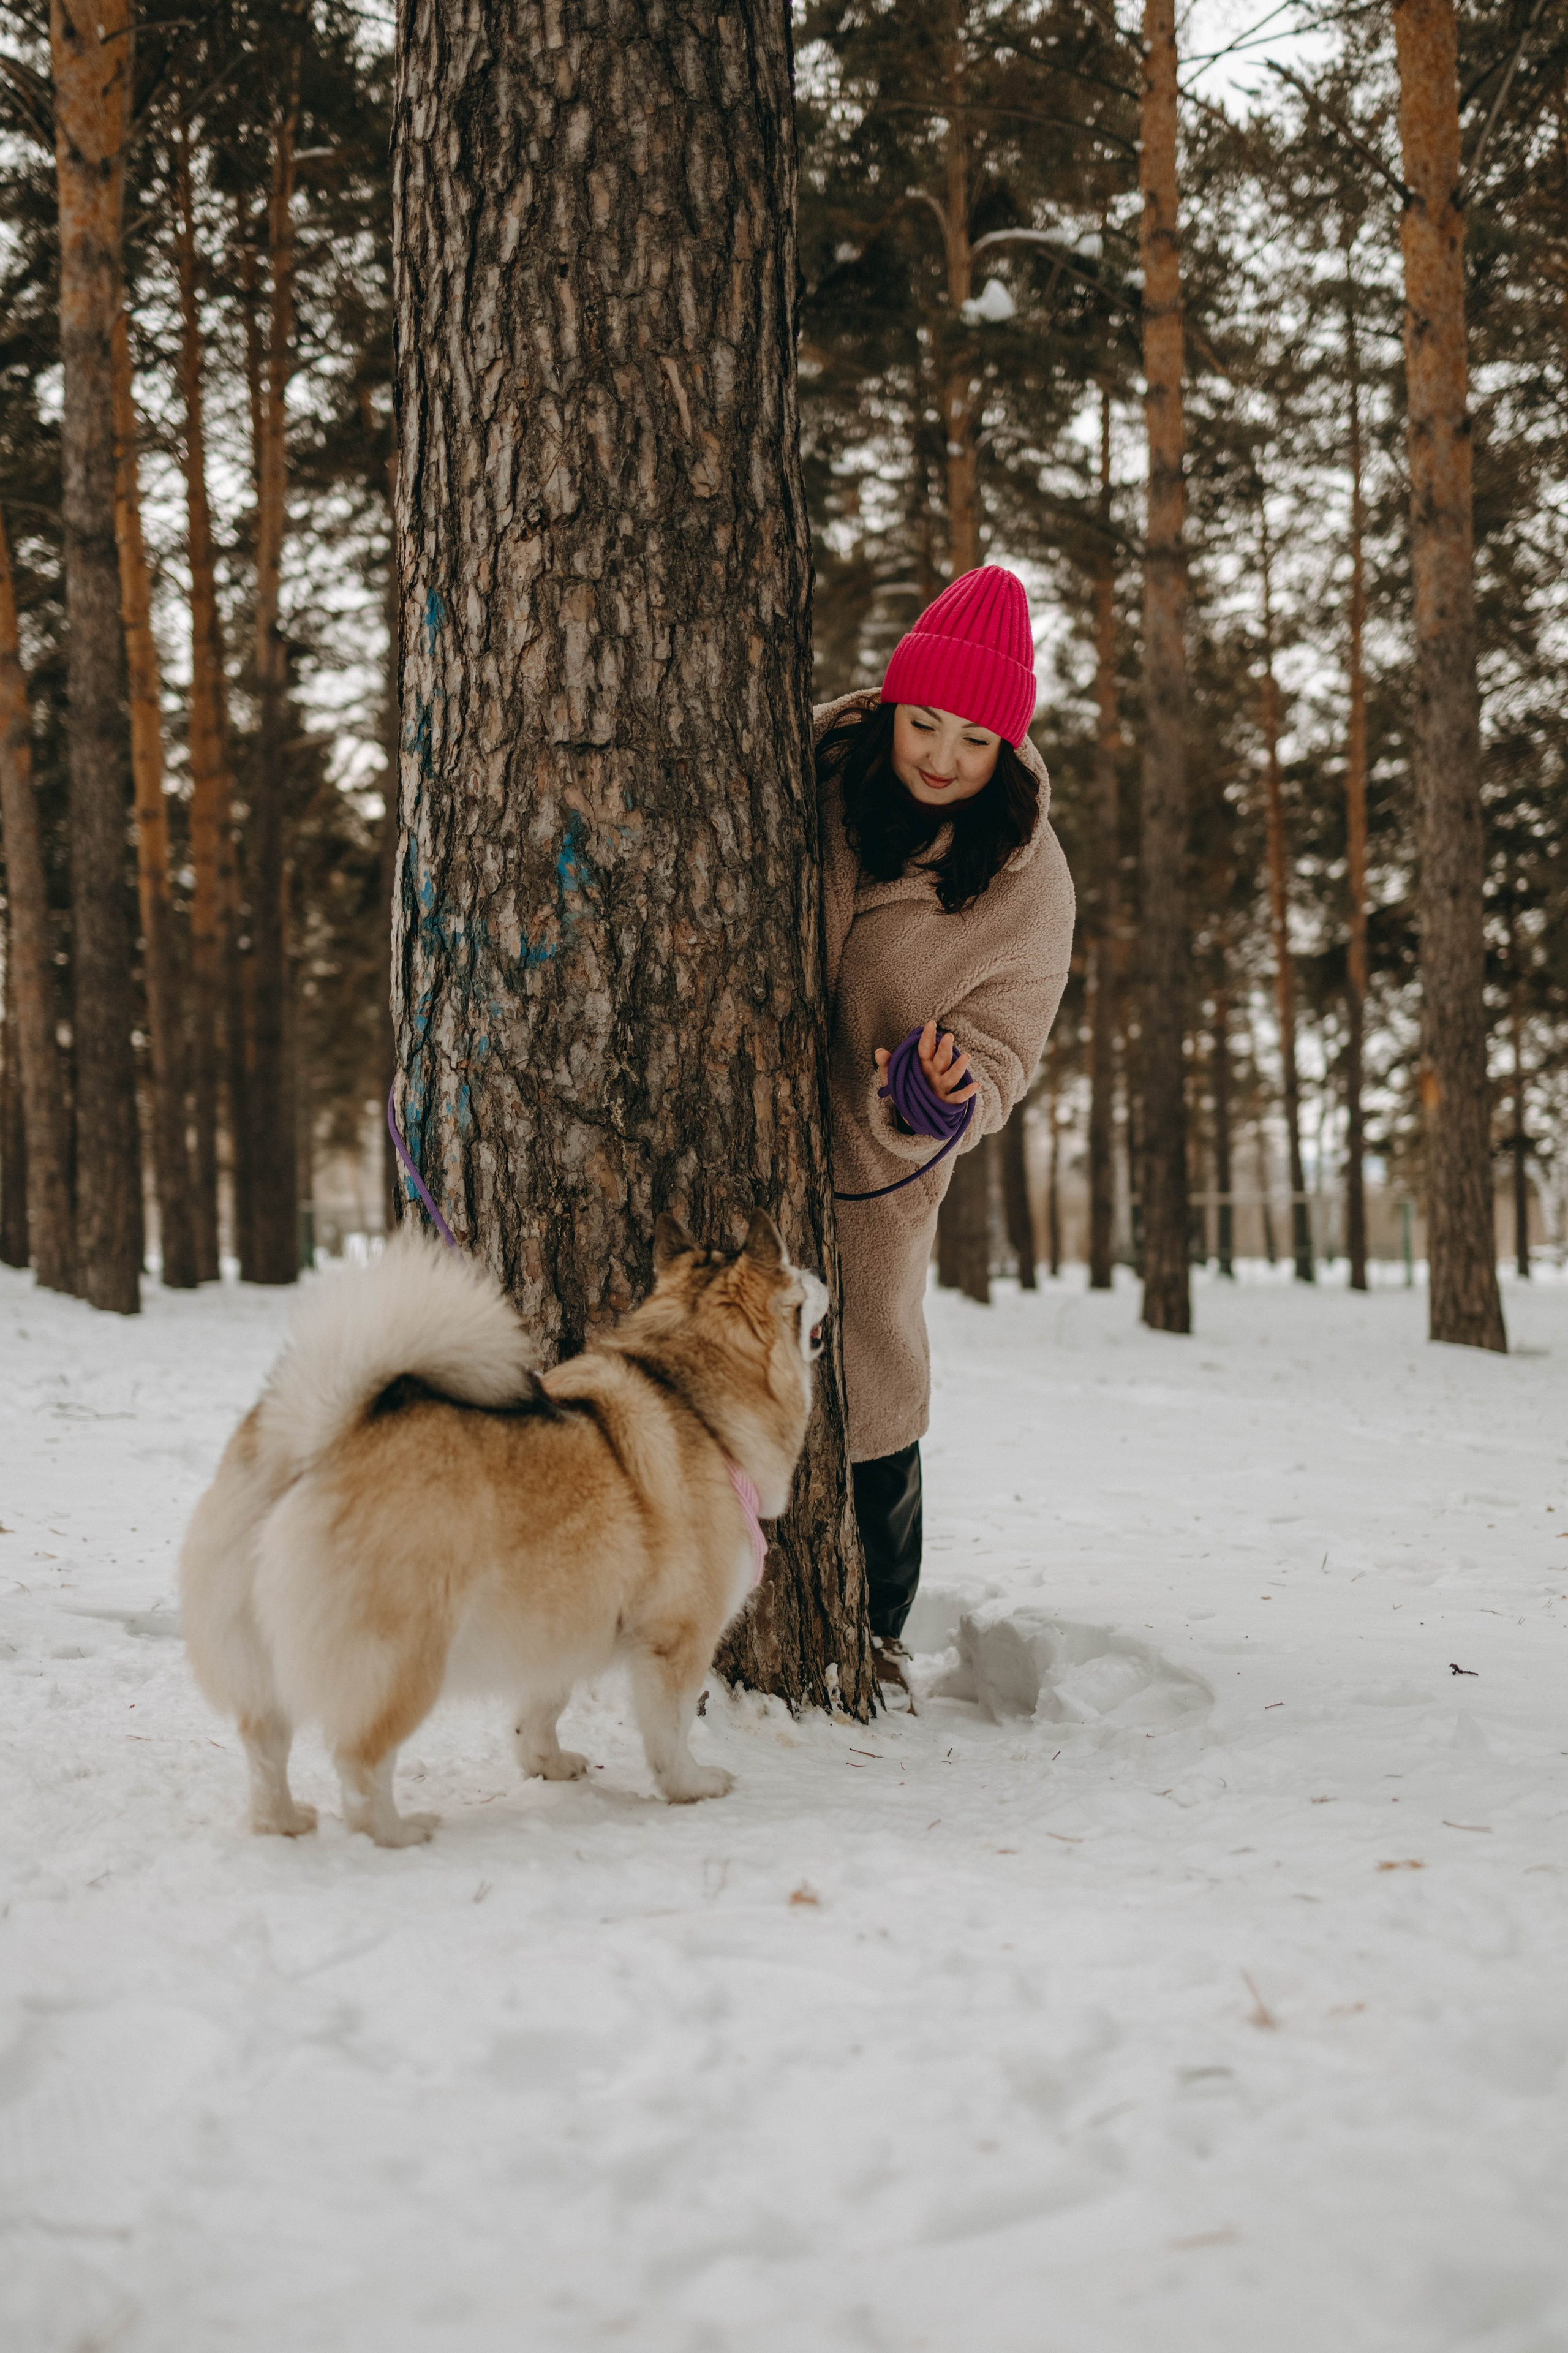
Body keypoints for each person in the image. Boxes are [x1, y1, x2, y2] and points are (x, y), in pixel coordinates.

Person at [816, 566, 1076, 1655]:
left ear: (1007, 748)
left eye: (973, 740)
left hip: (876, 1153)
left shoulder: (1026, 881)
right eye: (923, 722)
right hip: (738, 1134)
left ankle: (875, 1622)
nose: (940, 756)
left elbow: (1009, 1042)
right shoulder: (811, 769)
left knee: (871, 1371)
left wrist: (949, 1087)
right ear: (890, 707)